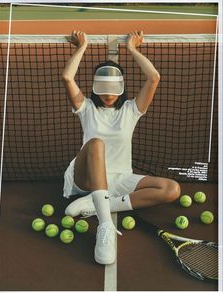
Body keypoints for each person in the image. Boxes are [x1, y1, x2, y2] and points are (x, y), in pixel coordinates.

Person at [62, 30, 181, 265]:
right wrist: (82, 46)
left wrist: (132, 49)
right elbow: (67, 78)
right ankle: (105, 225)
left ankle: (98, 205)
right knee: (96, 144)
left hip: (120, 178)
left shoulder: (131, 110)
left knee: (172, 189)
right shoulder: (86, 108)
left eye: (113, 88)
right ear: (96, 86)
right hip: (85, 178)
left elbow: (154, 77)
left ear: (121, 87)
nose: (108, 94)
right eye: (103, 87)